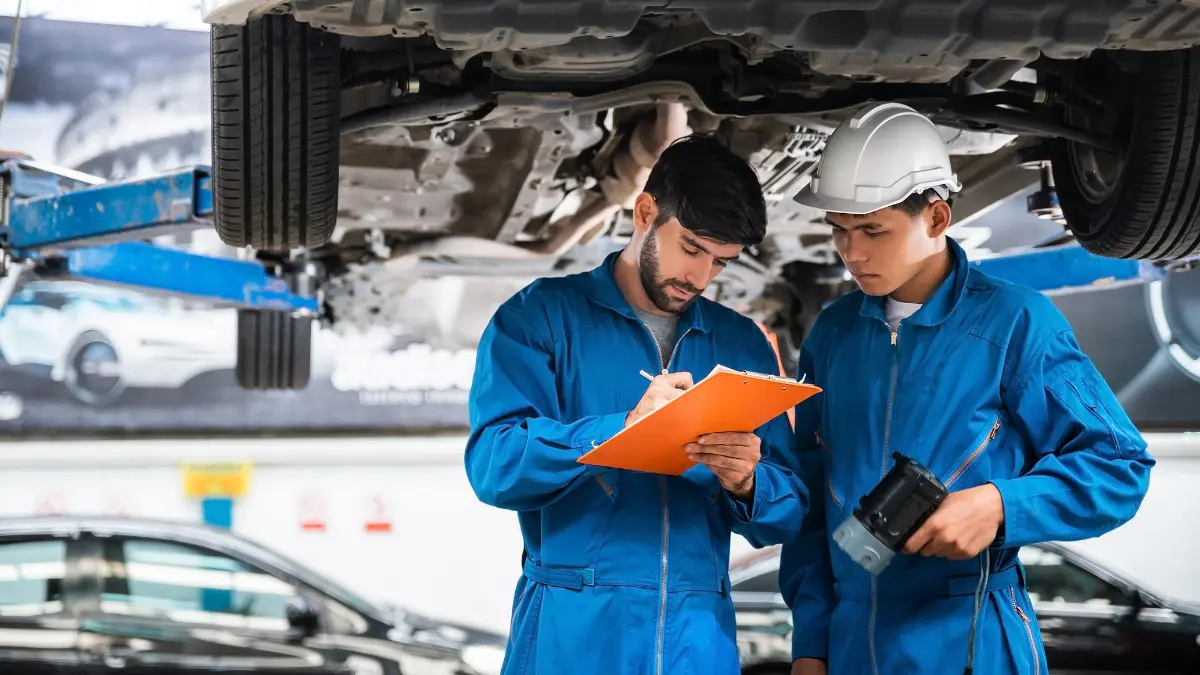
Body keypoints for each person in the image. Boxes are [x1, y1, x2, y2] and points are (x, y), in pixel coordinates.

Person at [778, 101, 1155, 675]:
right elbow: (810, 500)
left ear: (935, 217)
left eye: (873, 231)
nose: (852, 254)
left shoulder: (1015, 323)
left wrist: (1001, 504)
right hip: (851, 642)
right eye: (840, 231)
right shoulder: (833, 334)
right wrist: (810, 641)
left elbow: (1119, 465)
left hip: (969, 639)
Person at [464, 133, 815, 674]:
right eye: (692, 248)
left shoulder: (742, 342)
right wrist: (616, 431)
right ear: (646, 212)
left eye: (721, 262)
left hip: (697, 640)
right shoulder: (541, 319)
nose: (700, 277)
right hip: (573, 636)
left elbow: (789, 513)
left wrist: (749, 482)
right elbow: (494, 466)